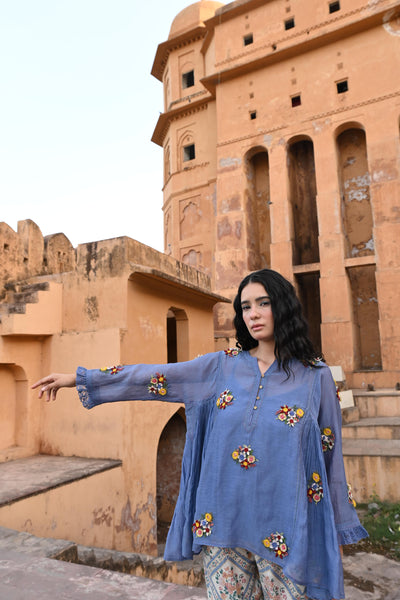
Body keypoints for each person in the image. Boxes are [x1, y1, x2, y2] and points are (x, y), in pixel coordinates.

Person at [33, 268, 368, 600]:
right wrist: (81, 379)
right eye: (245, 306)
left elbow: (329, 456)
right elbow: (153, 377)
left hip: (287, 531)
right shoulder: (220, 367)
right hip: (222, 525)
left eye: (262, 303)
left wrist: (333, 531)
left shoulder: (315, 376)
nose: (253, 314)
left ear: (283, 306)